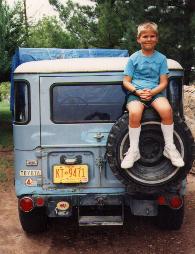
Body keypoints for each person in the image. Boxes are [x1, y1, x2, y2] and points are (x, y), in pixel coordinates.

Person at [121, 21, 185, 169]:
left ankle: (169, 148)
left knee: (167, 111)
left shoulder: (161, 59)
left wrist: (152, 92)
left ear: (156, 39)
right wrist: (138, 91)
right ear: (138, 39)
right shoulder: (133, 58)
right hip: (136, 93)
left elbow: (163, 82)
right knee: (135, 113)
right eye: (145, 36)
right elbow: (126, 81)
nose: (148, 39)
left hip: (155, 92)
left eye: (152, 36)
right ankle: (134, 150)